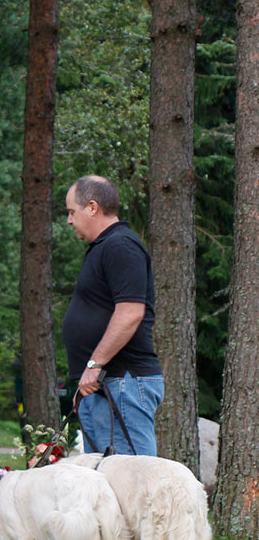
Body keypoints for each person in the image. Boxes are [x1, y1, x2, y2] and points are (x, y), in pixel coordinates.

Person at [61, 175, 163, 456]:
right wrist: (87, 375)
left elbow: (130, 313)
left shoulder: (121, 246)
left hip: (123, 382)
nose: (69, 220)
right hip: (102, 385)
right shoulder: (103, 247)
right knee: (106, 486)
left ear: (92, 207)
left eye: (72, 211)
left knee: (135, 482)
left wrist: (94, 365)